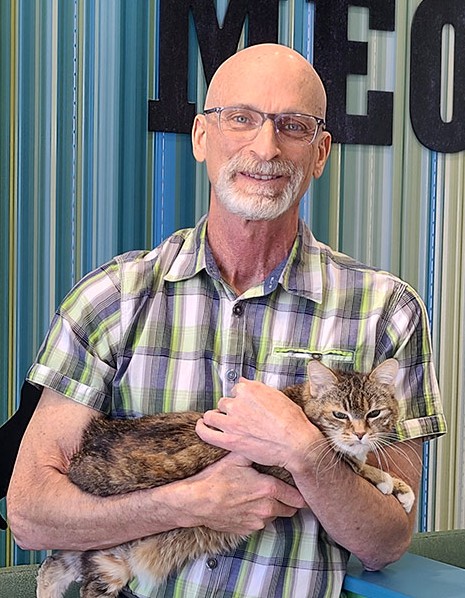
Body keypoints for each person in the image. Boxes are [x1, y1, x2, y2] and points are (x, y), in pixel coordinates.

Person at [7, 43, 446, 598]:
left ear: (320, 153)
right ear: (201, 137)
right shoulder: (110, 299)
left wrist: (304, 451)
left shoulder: (388, 311)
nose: (265, 147)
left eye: (293, 126)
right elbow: (30, 515)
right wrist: (187, 502)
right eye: (240, 119)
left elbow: (387, 541)